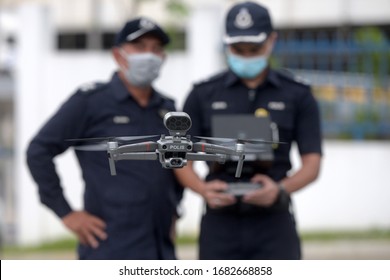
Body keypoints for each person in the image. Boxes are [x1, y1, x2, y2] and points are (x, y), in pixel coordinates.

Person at [174, 1, 322, 260]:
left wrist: (280, 190)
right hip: (220, 222)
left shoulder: (297, 94)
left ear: (271, 41)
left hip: (274, 221)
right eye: (237, 49)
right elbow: (180, 158)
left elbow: (312, 163)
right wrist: (202, 188)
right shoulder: (203, 95)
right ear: (226, 44)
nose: (245, 55)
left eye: (254, 49)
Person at [26, 17, 182, 260]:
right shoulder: (91, 101)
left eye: (155, 49)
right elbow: (38, 151)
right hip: (110, 248)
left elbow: (177, 167)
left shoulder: (167, 109)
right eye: (140, 47)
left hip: (160, 250)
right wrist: (66, 213)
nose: (149, 55)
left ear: (163, 58)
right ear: (118, 55)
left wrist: (175, 210)